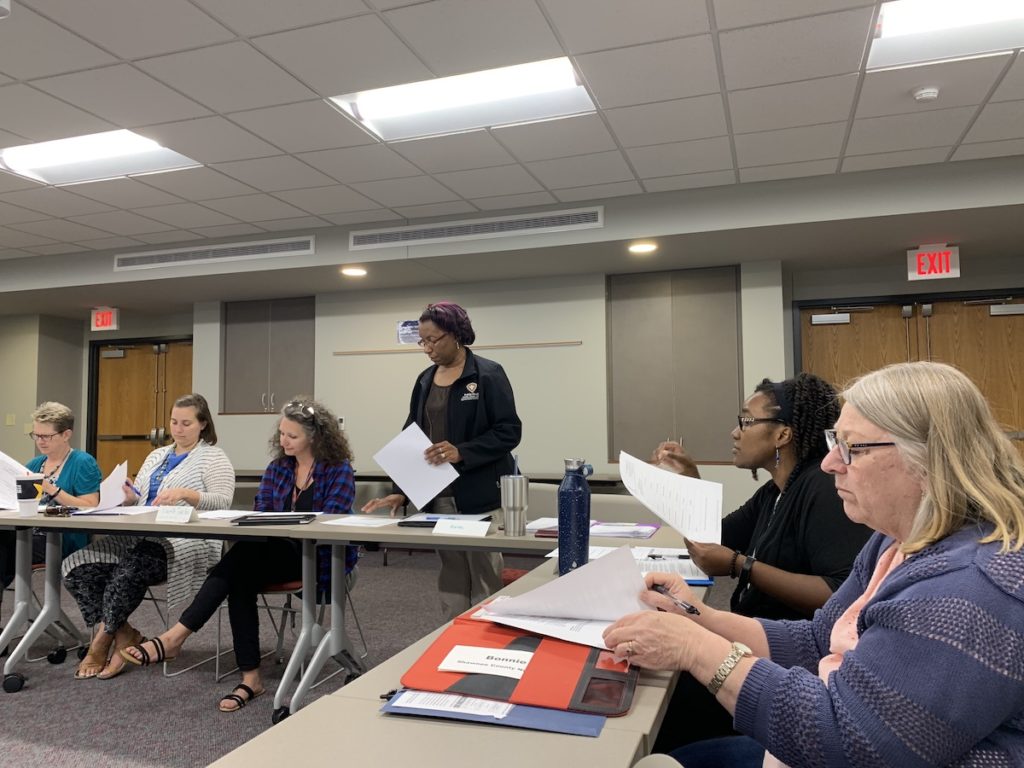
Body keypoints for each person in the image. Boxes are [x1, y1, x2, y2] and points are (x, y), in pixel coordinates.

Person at [606, 361, 1024, 767]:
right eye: (832, 443)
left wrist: (695, 647)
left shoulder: (968, 588)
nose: (829, 464)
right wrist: (699, 617)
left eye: (851, 449)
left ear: (929, 458)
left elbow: (848, 740)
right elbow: (820, 640)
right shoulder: (893, 542)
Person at [648, 374, 872, 751]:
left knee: (670, 698)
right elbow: (713, 540)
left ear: (782, 435)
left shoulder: (822, 489)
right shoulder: (774, 491)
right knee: (664, 681)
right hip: (755, 638)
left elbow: (835, 594)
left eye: (746, 421)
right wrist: (690, 481)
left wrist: (741, 566)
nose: (735, 432)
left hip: (791, 666)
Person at [121, 397, 356, 713]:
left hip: (322, 557)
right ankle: (249, 677)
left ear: (315, 437)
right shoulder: (278, 468)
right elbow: (261, 513)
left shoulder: (337, 470)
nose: (283, 441)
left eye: (292, 436)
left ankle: (181, 640)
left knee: (239, 565)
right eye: (282, 433)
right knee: (240, 574)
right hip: (275, 553)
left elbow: (334, 520)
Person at [362, 301, 522, 619]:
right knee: (451, 575)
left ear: (455, 334)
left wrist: (463, 451)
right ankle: (452, 640)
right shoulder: (424, 380)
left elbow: (509, 432)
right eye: (422, 341)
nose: (427, 348)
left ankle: (487, 644)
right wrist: (403, 490)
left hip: (481, 496)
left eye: (432, 340)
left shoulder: (488, 374)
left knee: (484, 576)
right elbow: (412, 437)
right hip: (441, 497)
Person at [63, 393, 234, 680]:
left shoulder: (213, 457)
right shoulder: (157, 455)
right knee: (78, 566)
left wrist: (186, 494)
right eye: (174, 422)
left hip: (184, 541)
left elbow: (222, 501)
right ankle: (125, 633)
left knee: (131, 567)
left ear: (203, 424)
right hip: (139, 534)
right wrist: (129, 497)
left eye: (186, 423)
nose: (178, 429)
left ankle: (102, 641)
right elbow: (141, 498)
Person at [25, 402, 102, 561]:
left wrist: (51, 489)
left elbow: (90, 504)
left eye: (46, 436)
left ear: (66, 435)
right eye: (36, 435)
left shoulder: (83, 462)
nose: (40, 441)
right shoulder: (34, 464)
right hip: (30, 532)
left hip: (63, 537)